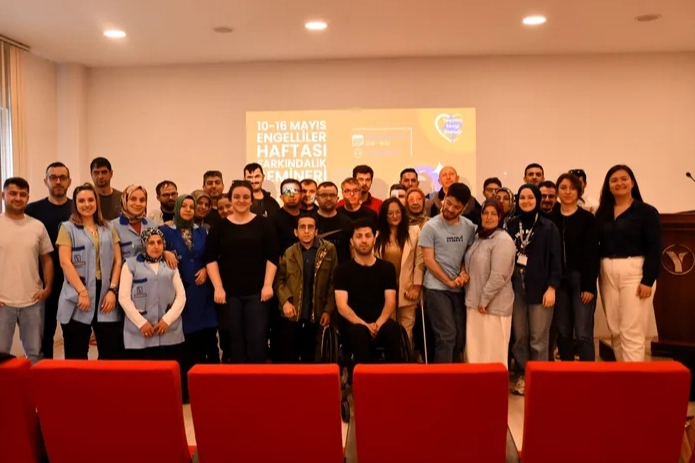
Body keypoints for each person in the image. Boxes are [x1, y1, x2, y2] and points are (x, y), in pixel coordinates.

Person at [204, 180, 279, 363]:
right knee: (235, 341)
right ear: (230, 199)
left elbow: (272, 256)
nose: (241, 200)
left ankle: (258, 379)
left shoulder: (264, 224)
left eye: (246, 197)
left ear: (252, 200)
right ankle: (238, 379)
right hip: (229, 294)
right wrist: (218, 287)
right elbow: (210, 259)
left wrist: (268, 285)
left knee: (257, 339)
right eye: (236, 197)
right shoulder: (219, 228)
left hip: (257, 293)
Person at [596, 165, 661, 362]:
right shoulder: (603, 213)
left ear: (632, 182)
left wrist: (648, 280)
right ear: (608, 186)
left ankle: (634, 377)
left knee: (631, 331)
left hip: (635, 271)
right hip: (607, 270)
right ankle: (622, 374)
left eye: (624, 179)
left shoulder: (646, 212)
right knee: (615, 330)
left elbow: (655, 247)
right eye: (614, 180)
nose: (619, 183)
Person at [118, 228, 188, 402]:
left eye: (159, 243)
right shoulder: (130, 265)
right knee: (144, 380)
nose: (156, 246)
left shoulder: (170, 265)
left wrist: (167, 320)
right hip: (140, 332)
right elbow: (124, 297)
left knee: (169, 377)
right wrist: (141, 323)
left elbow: (181, 296)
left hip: (169, 330)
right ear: (144, 245)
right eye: (151, 243)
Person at [57, 183, 123, 360]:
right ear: (75, 204)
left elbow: (118, 261)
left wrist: (113, 290)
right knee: (76, 353)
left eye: (90, 200)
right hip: (77, 294)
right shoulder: (67, 228)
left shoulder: (109, 228)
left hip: (105, 295)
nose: (87, 204)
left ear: (96, 202)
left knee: (110, 353)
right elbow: (65, 262)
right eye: (81, 201)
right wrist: (82, 291)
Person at [507, 184, 561, 395]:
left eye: (530, 197)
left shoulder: (548, 226)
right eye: (522, 197)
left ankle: (538, 378)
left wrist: (552, 287)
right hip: (516, 287)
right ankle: (523, 374)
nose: (526, 201)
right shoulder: (511, 224)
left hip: (541, 287)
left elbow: (556, 260)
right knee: (520, 336)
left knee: (538, 337)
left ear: (537, 199)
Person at [420, 183, 477, 363]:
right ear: (444, 198)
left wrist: (463, 273)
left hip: (458, 290)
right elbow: (429, 260)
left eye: (456, 207)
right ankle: (442, 377)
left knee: (459, 337)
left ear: (464, 208)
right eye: (449, 203)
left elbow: (466, 255)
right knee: (446, 335)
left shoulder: (469, 227)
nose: (450, 209)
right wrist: (449, 281)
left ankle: (455, 376)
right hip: (436, 288)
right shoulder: (430, 227)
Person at [0, 177, 54, 364]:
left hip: (33, 300)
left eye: (22, 194)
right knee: (0, 355)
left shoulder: (37, 226)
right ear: (3, 195)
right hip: (3, 302)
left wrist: (47, 288)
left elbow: (47, 260)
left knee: (34, 354)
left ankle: (34, 385)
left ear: (28, 198)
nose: (18, 198)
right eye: (13, 193)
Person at [334, 219, 404, 364]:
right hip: (353, 323)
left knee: (393, 329)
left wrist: (378, 324)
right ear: (352, 241)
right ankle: (362, 375)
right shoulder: (342, 270)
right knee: (358, 333)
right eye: (359, 236)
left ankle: (393, 374)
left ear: (374, 238)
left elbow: (390, 301)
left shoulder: (387, 268)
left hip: (380, 320)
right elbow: (342, 306)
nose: (364, 240)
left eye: (368, 236)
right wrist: (365, 325)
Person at [161, 195, 219, 366]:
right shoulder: (165, 231)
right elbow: (151, 250)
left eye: (191, 207)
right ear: (177, 208)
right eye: (184, 206)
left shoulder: (202, 231)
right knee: (185, 344)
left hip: (202, 292)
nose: (188, 210)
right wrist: (165, 252)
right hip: (179, 293)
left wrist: (206, 269)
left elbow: (211, 255)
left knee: (207, 341)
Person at [274, 214, 337, 363]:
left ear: (316, 231)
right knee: (290, 358)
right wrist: (285, 302)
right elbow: (279, 280)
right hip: (294, 313)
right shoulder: (290, 252)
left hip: (317, 314)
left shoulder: (328, 250)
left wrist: (328, 310)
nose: (307, 231)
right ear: (296, 232)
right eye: (302, 227)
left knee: (311, 359)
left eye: (310, 227)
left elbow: (333, 282)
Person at [25, 162, 73, 359]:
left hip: (73, 282)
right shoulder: (32, 210)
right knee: (44, 336)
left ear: (69, 181)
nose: (58, 181)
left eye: (62, 177)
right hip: (43, 284)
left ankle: (72, 373)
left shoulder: (77, 208)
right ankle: (45, 374)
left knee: (72, 337)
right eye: (53, 177)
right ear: (46, 181)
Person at [551, 173, 599, 361]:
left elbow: (592, 254)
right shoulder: (551, 218)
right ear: (557, 191)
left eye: (572, 188)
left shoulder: (587, 219)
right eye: (563, 188)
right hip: (559, 281)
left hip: (581, 280)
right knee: (563, 331)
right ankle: (567, 371)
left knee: (583, 331)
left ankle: (587, 373)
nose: (567, 192)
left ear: (579, 192)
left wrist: (589, 286)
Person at [464, 199, 516, 365]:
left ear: (500, 217)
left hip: (492, 306)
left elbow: (498, 275)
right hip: (475, 303)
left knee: (492, 352)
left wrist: (484, 299)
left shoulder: (503, 240)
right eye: (485, 213)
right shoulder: (479, 237)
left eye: (494, 214)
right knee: (476, 351)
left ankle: (494, 382)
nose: (489, 217)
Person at [374, 198, 424, 346]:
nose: (395, 216)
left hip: (407, 288)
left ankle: (406, 357)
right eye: (390, 213)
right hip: (384, 289)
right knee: (389, 327)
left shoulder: (414, 232)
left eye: (398, 212)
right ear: (384, 215)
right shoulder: (377, 236)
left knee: (406, 329)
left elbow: (419, 261)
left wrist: (416, 287)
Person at [112, 185, 158, 260]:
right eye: (133, 199)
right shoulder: (112, 227)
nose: (138, 203)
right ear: (124, 201)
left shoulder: (153, 226)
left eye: (142, 200)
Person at [314, 181, 353, 264]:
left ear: (337, 198)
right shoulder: (310, 221)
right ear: (316, 198)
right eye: (324, 195)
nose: (328, 198)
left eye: (332, 195)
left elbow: (352, 250)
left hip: (342, 269)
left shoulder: (347, 222)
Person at [273, 178, 302, 255]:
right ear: (281, 197)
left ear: (301, 195)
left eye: (295, 191)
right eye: (287, 192)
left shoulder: (308, 217)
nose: (292, 195)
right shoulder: (273, 220)